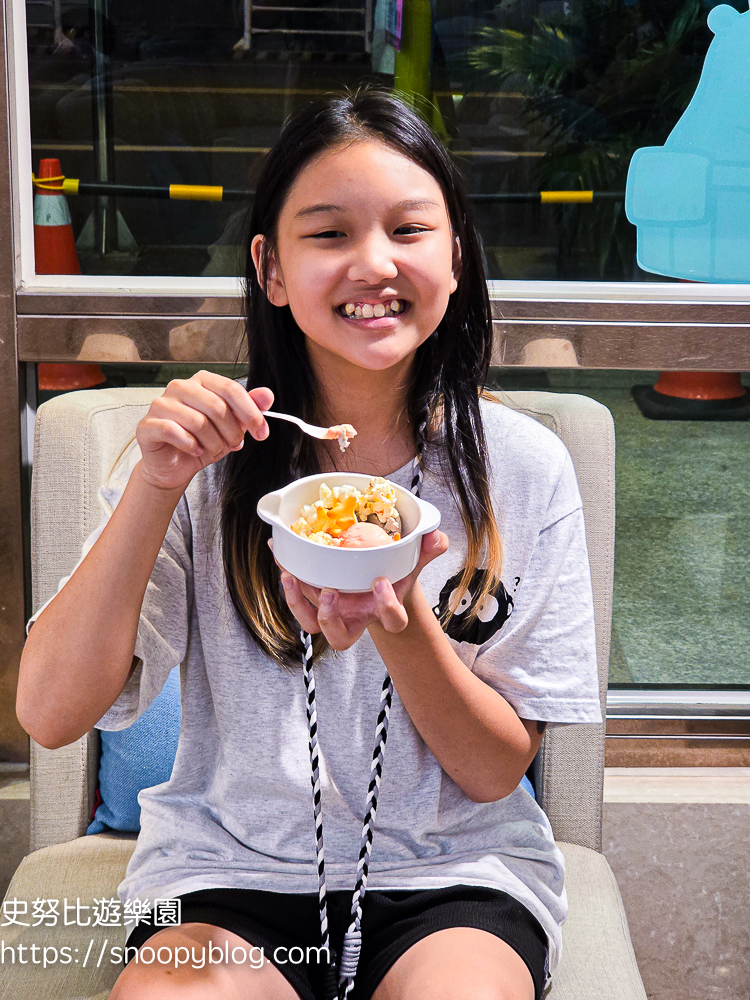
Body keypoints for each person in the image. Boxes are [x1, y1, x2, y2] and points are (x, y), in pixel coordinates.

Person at [17, 89, 602, 1000]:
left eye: (409, 230)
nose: (373, 264)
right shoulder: (206, 465)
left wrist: (399, 620)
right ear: (271, 267)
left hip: (455, 878)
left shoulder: (522, 470)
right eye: (328, 235)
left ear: (455, 256)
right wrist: (154, 485)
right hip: (225, 876)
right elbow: (50, 714)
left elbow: (494, 772)